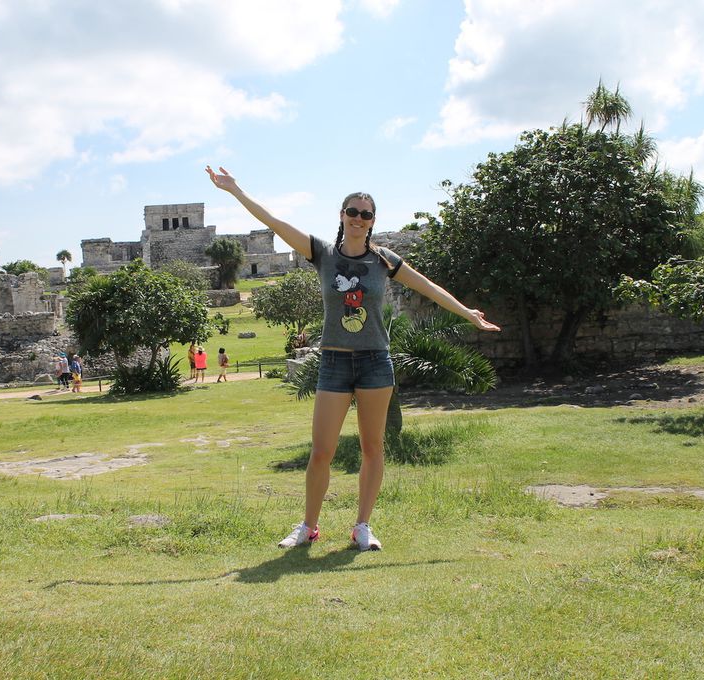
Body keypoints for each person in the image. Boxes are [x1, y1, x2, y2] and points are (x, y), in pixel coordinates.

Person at [207, 165, 500, 551]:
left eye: (366, 214)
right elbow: (275, 222)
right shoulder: (322, 253)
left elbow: (427, 287)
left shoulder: (385, 260)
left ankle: (363, 526)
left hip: (376, 361)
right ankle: (308, 526)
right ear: (342, 216)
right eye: (353, 212)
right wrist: (236, 191)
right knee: (322, 451)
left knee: (372, 448)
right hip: (334, 363)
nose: (359, 219)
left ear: (373, 221)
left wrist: (467, 313)